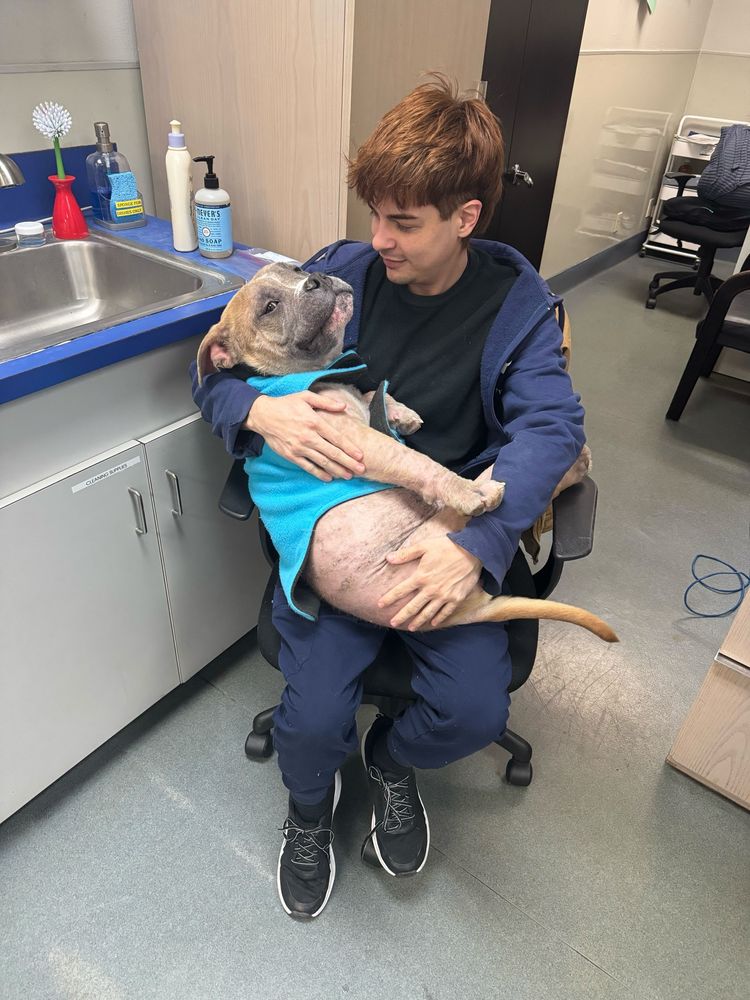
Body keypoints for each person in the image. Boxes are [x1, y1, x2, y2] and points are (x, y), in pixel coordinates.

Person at [191, 75, 585, 920]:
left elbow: (551, 433)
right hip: (335, 542)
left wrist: (471, 546)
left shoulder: (518, 308)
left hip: (440, 537)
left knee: (474, 711)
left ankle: (392, 760)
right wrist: (258, 409)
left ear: (466, 218)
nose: (378, 242)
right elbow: (218, 367)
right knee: (306, 726)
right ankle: (309, 811)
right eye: (375, 215)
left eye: (403, 223)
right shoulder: (343, 273)